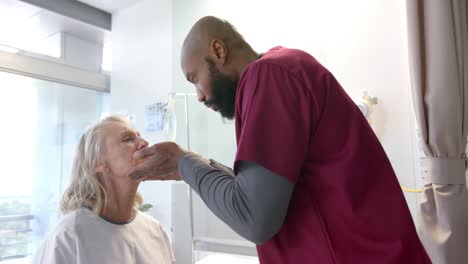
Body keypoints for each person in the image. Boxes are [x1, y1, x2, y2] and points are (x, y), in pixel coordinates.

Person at [130, 16, 432, 263]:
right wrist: (190, 166)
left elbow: (254, 218)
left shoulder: (269, 76)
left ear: (218, 51)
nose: (198, 96)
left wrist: (184, 163)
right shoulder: (285, 69)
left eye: (194, 78)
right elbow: (254, 194)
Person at [35, 116, 175, 264]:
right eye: (128, 139)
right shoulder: (69, 235)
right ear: (98, 163)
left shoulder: (154, 230)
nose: (144, 143)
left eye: (139, 136)